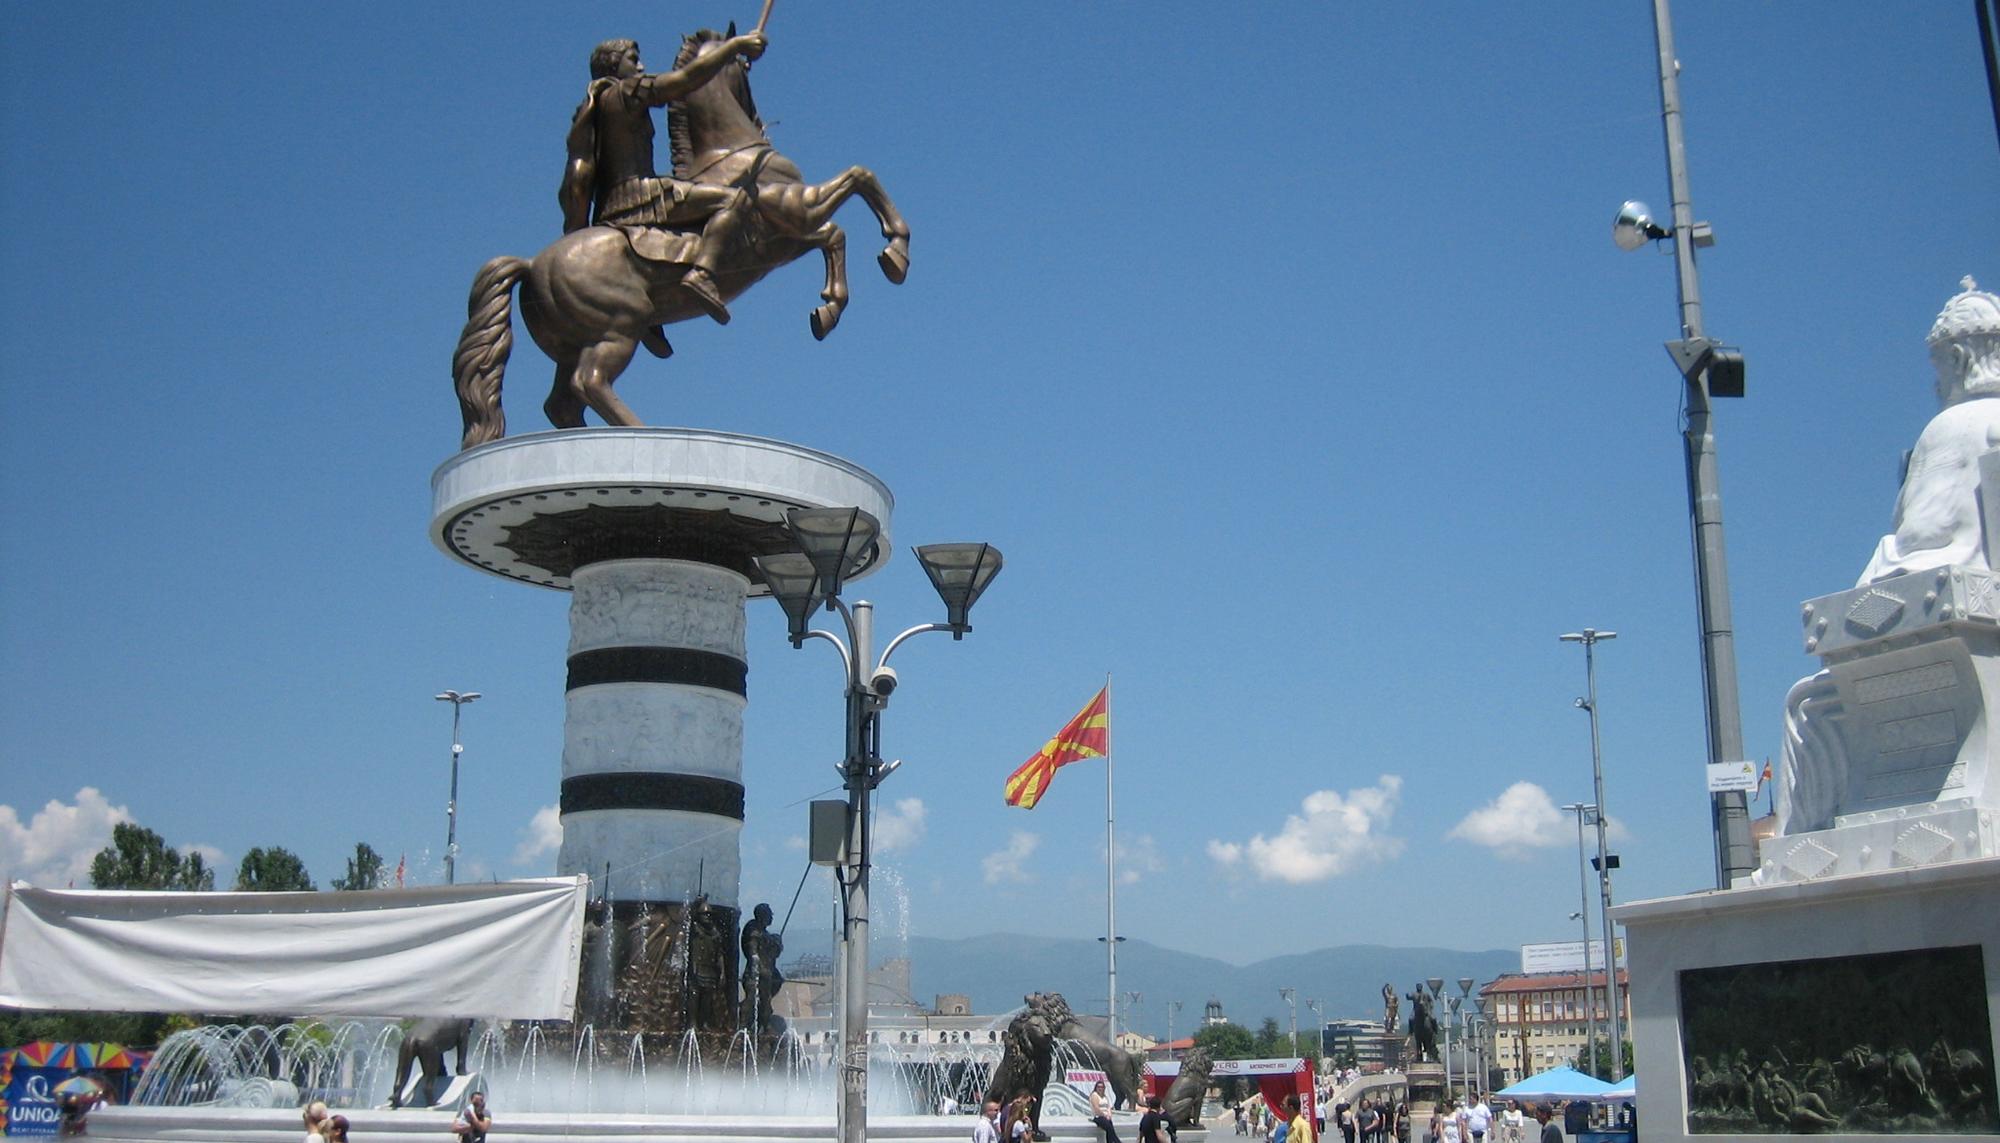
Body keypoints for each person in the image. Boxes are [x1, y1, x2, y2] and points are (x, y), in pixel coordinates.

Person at [559, 31, 770, 324]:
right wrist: (734, 46)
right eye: (633, 60)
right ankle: (703, 274)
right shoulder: (625, 92)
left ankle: (650, 310)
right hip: (642, 196)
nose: (641, 66)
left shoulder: (592, 105)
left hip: (608, 207)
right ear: (613, 66)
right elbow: (683, 81)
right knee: (734, 200)